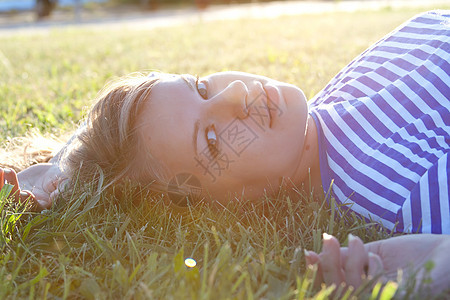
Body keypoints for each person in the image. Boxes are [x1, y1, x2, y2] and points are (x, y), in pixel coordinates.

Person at [1, 10, 449, 294]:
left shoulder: (325, 107)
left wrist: (56, 169)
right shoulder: (402, 186)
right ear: (232, 203)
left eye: (199, 87)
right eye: (211, 140)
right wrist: (423, 267)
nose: (235, 93)